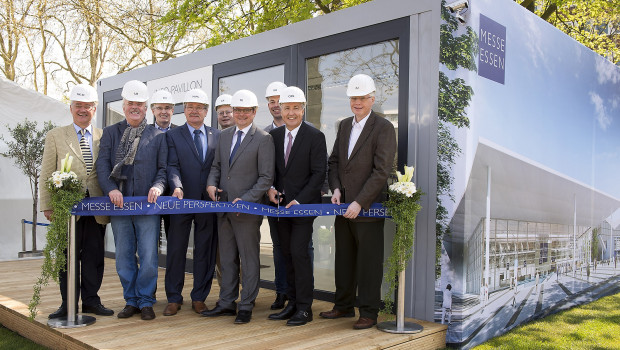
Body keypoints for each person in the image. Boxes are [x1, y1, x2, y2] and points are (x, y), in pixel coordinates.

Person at [319, 74, 396, 330]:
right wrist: (336, 189)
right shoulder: (343, 126)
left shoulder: (383, 128)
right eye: (353, 98)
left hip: (368, 209)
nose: (357, 102)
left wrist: (360, 202)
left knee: (368, 264)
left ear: (372, 99)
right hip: (343, 208)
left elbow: (381, 171)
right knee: (344, 260)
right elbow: (334, 162)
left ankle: (369, 313)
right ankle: (342, 306)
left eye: (362, 98)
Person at [96, 80, 167, 321]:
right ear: (124, 105)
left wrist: (158, 186)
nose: (135, 107)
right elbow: (102, 164)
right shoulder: (110, 132)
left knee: (149, 256)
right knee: (124, 256)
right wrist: (110, 189)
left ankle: (146, 301)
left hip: (148, 207)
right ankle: (131, 300)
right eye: (131, 103)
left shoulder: (157, 135)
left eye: (140, 104)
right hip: (119, 205)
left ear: (146, 108)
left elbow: (163, 168)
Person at [40, 84, 113, 319]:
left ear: (95, 108)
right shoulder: (56, 136)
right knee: (67, 256)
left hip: (97, 206)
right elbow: (46, 173)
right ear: (71, 108)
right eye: (78, 106)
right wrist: (47, 205)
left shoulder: (105, 136)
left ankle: (91, 301)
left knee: (94, 256)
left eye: (87, 106)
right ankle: (67, 302)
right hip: (66, 209)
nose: (83, 110)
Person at [203, 89, 275, 325]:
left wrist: (246, 199)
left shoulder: (264, 139)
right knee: (226, 259)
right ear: (232, 112)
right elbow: (216, 167)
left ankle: (245, 305)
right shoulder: (224, 136)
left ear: (254, 112)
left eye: (246, 110)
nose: (241, 114)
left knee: (249, 259)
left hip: (247, 211)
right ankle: (226, 303)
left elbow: (265, 178)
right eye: (238, 110)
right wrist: (211, 185)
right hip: (223, 208)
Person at [267, 87, 326, 326]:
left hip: (302, 208)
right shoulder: (275, 136)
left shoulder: (315, 136)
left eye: (295, 108)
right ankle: (291, 303)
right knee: (287, 254)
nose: (291, 113)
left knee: (300, 254)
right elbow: (270, 169)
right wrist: (270, 188)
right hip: (281, 209)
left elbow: (319, 173)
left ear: (303, 109)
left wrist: (299, 201)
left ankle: (304, 308)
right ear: (280, 109)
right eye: (286, 108)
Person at [163, 89, 220, 316]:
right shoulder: (173, 135)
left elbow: (217, 167)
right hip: (181, 201)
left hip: (208, 203)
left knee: (205, 250)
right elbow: (172, 165)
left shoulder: (217, 135)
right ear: (184, 110)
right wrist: (177, 186)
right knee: (176, 249)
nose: (194, 110)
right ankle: (174, 298)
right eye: (190, 106)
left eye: (199, 107)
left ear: (206, 111)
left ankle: (199, 297)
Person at [263, 81, 289, 309]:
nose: (276, 105)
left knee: (303, 248)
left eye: (280, 100)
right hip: (273, 202)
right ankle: (281, 292)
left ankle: (301, 292)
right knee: (279, 247)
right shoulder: (264, 134)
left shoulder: (308, 128)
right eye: (271, 101)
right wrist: (268, 188)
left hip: (299, 202)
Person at [150, 90, 177, 239]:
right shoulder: (144, 133)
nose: (163, 112)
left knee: (173, 240)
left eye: (167, 108)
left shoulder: (181, 132)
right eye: (159, 108)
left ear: (172, 110)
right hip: (151, 194)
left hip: (173, 196)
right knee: (150, 241)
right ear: (153, 110)